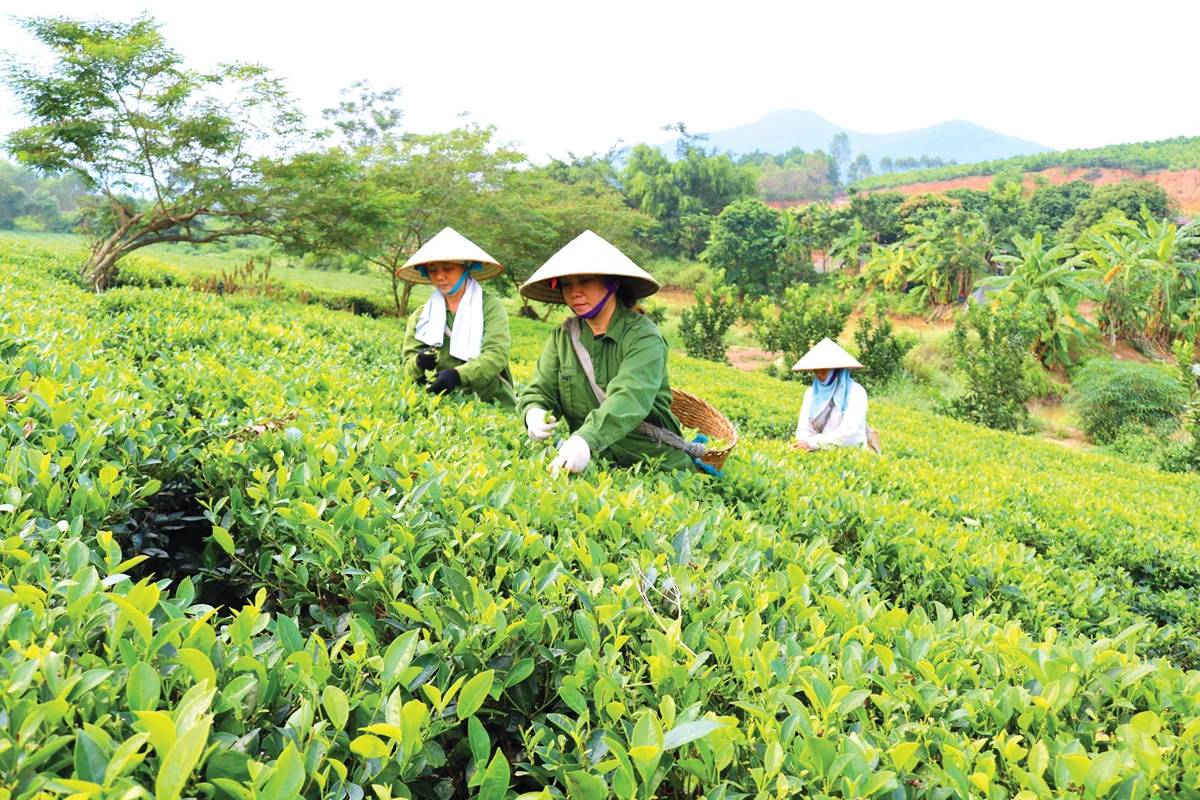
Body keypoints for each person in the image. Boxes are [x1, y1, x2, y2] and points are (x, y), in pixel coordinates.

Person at [517, 231, 700, 476]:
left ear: (612, 282)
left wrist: (585, 440)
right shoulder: (562, 337)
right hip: (591, 467)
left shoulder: (644, 337)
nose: (574, 293)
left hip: (654, 466)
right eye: (567, 285)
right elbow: (540, 389)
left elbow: (629, 398)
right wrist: (533, 412)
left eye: (585, 281)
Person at [399, 227, 516, 408]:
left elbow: (496, 354)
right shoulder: (421, 316)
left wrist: (457, 375)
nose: (440, 276)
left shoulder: (490, 307)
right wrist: (419, 362)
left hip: (489, 402)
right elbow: (407, 370)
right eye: (432, 270)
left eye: (448, 268)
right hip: (440, 406)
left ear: (465, 268)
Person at [790, 338, 879, 452]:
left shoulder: (856, 391)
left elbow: (849, 429)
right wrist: (805, 443)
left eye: (824, 369)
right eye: (816, 370)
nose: (820, 374)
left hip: (851, 454)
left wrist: (813, 443)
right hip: (820, 453)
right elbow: (805, 427)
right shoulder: (811, 393)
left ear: (836, 369)